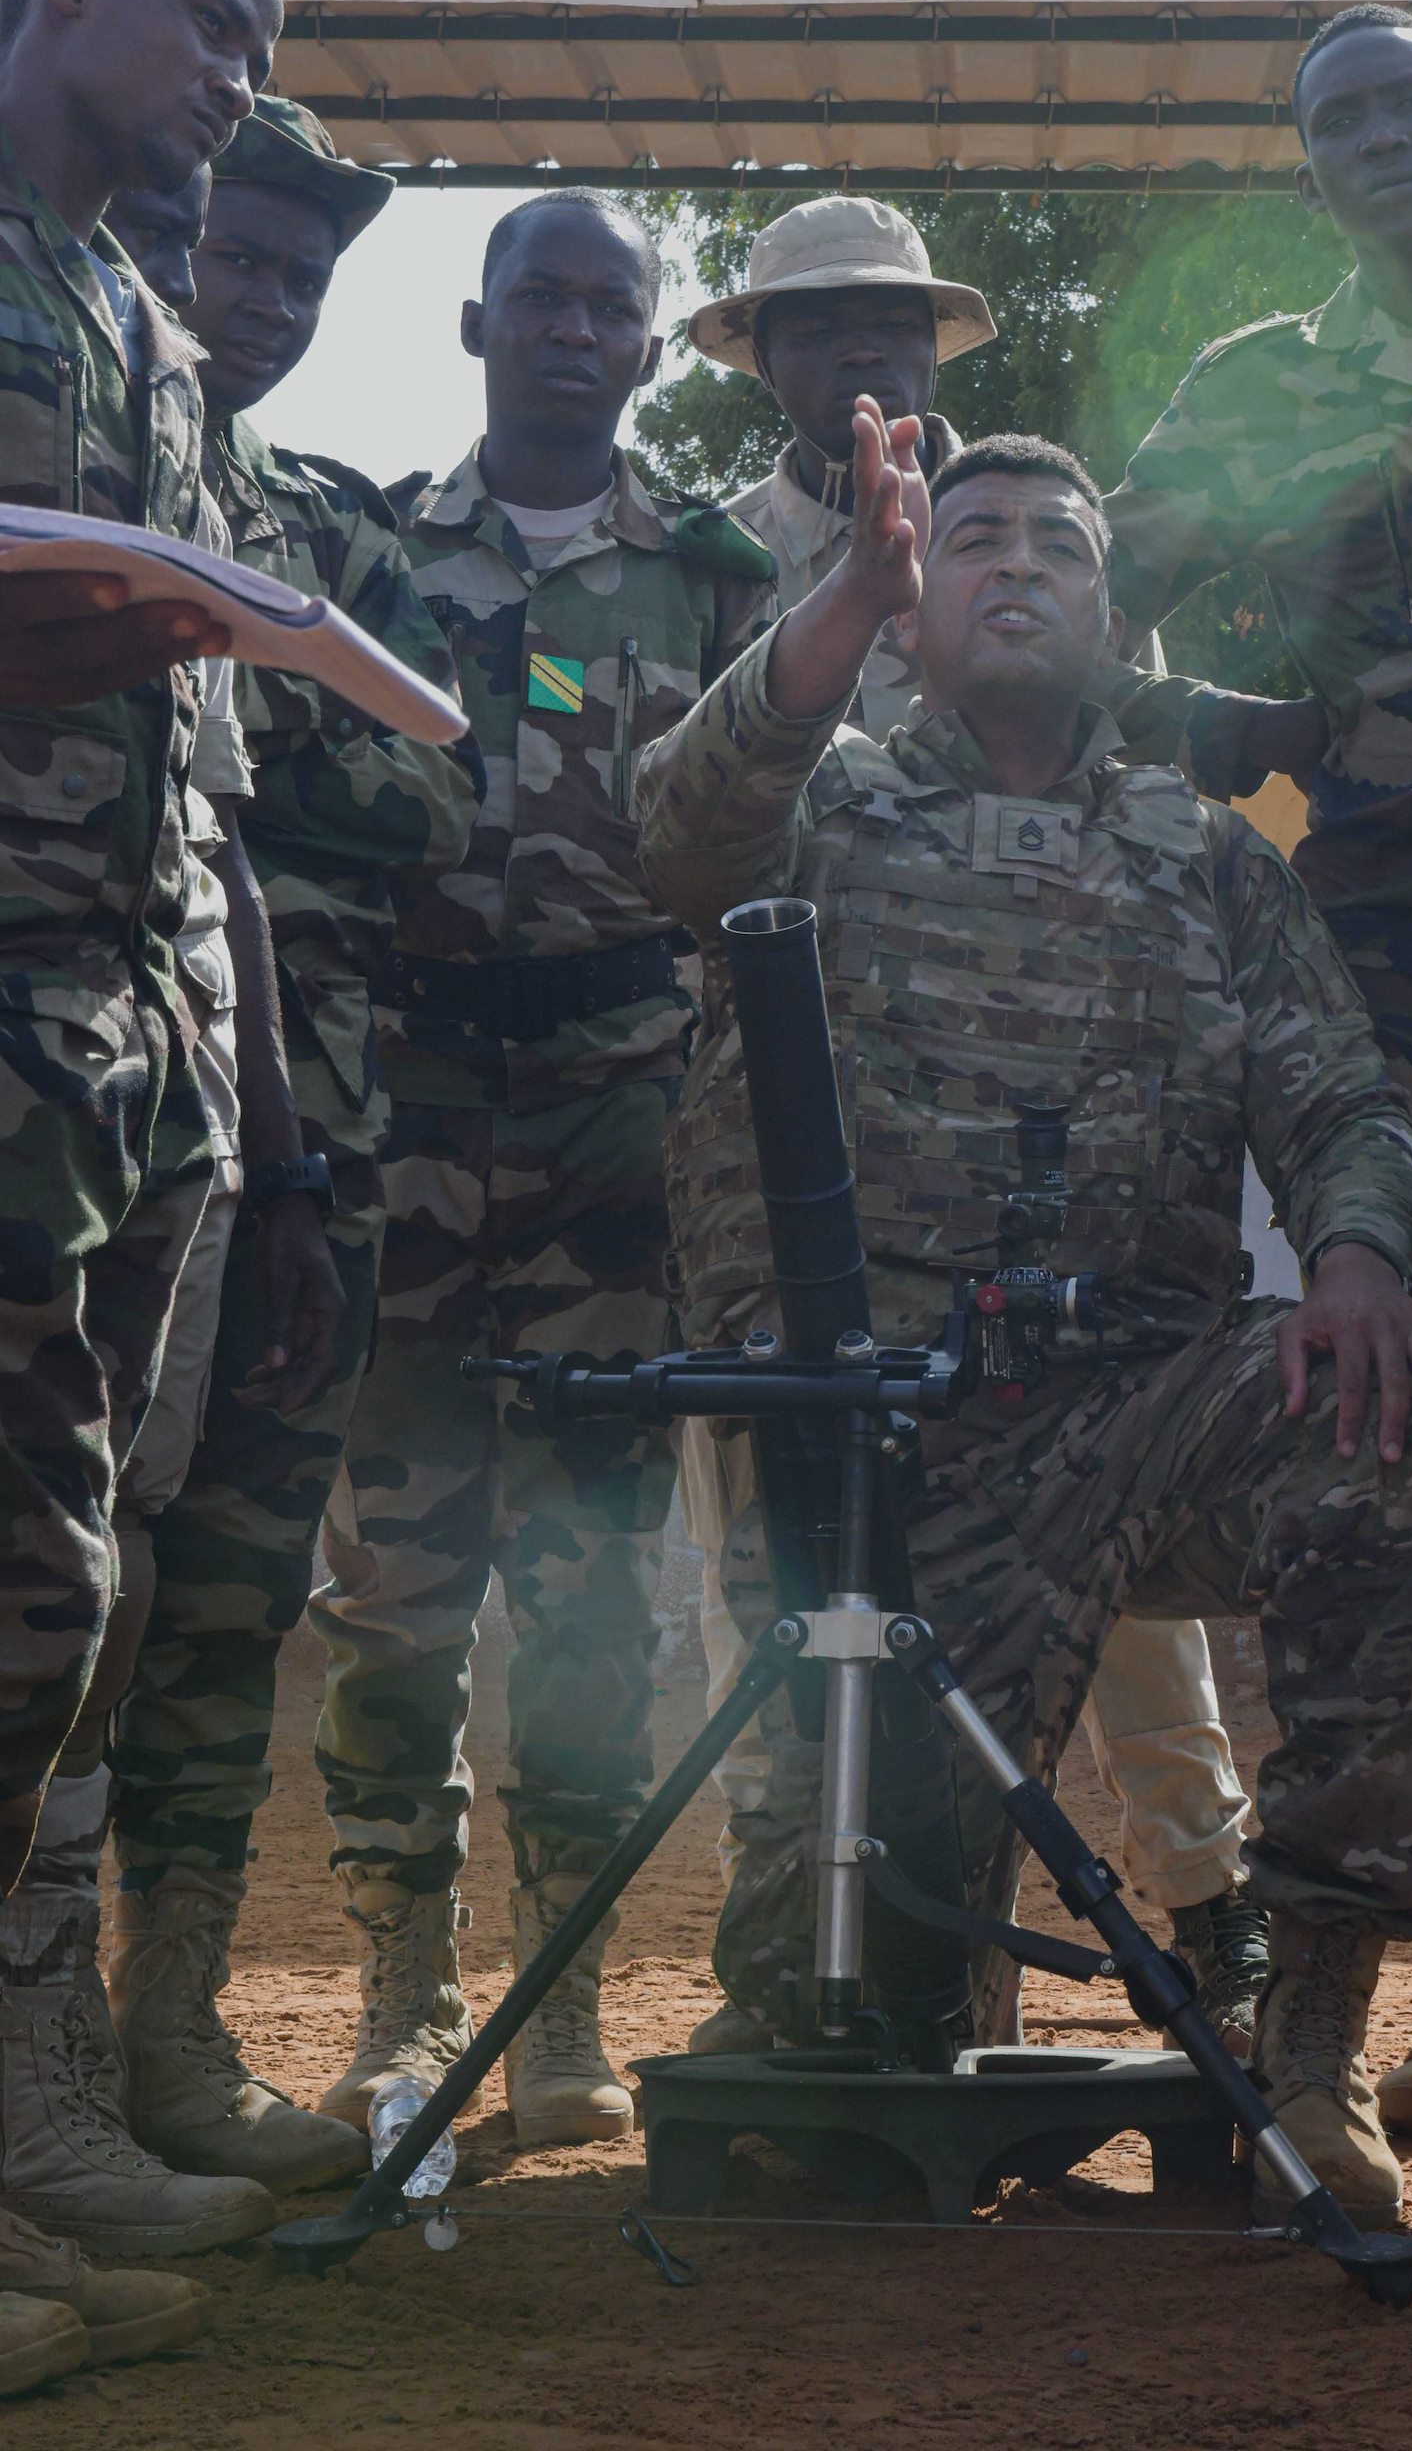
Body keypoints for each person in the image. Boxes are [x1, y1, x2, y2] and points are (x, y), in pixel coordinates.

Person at [638, 412, 1412, 2228]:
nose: (1018, 564)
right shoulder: (827, 804)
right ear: (911, 604)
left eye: (1062, 545)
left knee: (1397, 1418)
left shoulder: (1210, 856)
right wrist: (839, 597)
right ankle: (903, 1984)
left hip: (1141, 1411)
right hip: (879, 1457)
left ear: (1114, 617)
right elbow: (675, 827)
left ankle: (1312, 2035)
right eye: (974, 541)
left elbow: (1346, 1104)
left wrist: (1359, 1260)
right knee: (845, 2045)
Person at [681, 193, 1263, 2052]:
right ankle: (823, 1947)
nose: (865, 350)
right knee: (794, 1602)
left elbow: (1119, 782)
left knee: (1132, 1616)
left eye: (896, 322)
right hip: (822, 1168)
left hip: (1063, 1194)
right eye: (818, 323)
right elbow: (691, 817)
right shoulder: (716, 558)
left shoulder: (1029, 525)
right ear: (761, 357)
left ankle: (1217, 1919)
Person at [1100, 3, 1412, 2134]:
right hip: (1392, 962)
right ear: (1305, 164)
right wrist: (1243, 740)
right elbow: (1087, 605)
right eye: (1345, 117)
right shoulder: (1261, 389)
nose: (1388, 137)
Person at [311, 190, 775, 2150]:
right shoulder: (369, 557)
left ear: (649, 347)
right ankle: (401, 1991)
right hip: (408, 1103)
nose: (573, 330)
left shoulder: (716, 581)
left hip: (616, 1119)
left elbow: (769, 843)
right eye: (540, 300)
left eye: (609, 306)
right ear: (476, 325)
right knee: (396, 1583)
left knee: (592, 1590)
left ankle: (559, 1999)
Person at [101, 102, 478, 2197]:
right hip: (94, 1096)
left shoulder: (330, 520)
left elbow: (440, 787)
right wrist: (273, 702)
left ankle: (168, 2029)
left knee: (236, 1585)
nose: (256, 301)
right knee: (71, 1575)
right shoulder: (78, 468)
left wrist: (241, 702)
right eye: (229, 255)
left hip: (308, 1136)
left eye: (298, 279)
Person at [0, 0, 289, 2367]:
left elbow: (197, 740)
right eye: (210, 28)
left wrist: (231, 1063)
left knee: (51, 1610)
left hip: (124, 1043)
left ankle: (20, 2145)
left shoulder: (144, 331)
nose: (237, 83)